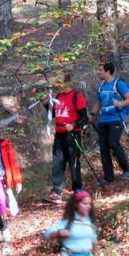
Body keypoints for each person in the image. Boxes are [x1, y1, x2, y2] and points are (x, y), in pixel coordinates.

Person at [43, 72, 89, 204]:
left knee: (73, 161)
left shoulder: (76, 96)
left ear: (67, 83)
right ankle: (56, 192)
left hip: (72, 134)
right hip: (59, 134)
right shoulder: (58, 96)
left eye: (59, 83)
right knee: (58, 162)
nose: (57, 85)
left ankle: (78, 190)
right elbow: (52, 115)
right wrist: (46, 104)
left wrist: (73, 125)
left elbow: (84, 118)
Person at [90, 61, 129, 183]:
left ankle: (126, 168)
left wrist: (119, 103)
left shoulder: (118, 84)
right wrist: (92, 115)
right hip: (103, 120)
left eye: (100, 70)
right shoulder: (101, 87)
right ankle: (108, 177)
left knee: (113, 143)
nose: (98, 72)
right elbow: (98, 103)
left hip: (116, 119)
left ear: (108, 71)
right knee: (103, 148)